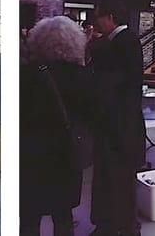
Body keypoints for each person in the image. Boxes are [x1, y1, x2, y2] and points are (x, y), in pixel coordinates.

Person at [23, 16, 94, 236]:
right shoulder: (81, 76)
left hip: (31, 156)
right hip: (66, 154)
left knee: (29, 217)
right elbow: (93, 114)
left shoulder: (26, 75)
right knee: (63, 215)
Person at [86, 2, 145, 236]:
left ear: (110, 17)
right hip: (116, 123)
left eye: (98, 17)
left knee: (120, 179)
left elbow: (113, 80)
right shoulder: (118, 41)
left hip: (121, 124)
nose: (96, 23)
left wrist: (92, 45)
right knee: (110, 178)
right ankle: (110, 224)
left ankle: (125, 226)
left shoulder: (124, 41)